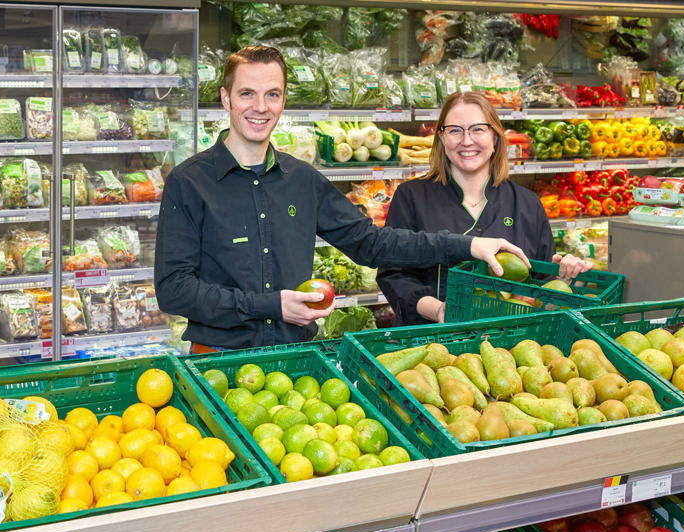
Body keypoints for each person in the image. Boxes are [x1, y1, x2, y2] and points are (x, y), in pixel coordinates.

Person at [154, 46, 528, 351]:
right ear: (226, 98)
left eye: (273, 94)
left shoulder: (302, 180)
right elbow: (173, 290)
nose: (260, 107)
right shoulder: (189, 182)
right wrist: (271, 305)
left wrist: (470, 245)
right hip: (217, 360)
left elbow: (372, 243)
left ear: (283, 100)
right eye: (247, 94)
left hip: (296, 360)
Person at [377, 91, 592, 325]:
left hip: (512, 345)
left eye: (478, 129)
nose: (466, 140)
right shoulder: (412, 196)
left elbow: (541, 283)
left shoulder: (527, 203)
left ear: (495, 137)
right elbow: (394, 274)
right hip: (429, 343)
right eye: (455, 130)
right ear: (441, 139)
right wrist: (439, 310)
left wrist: (563, 277)